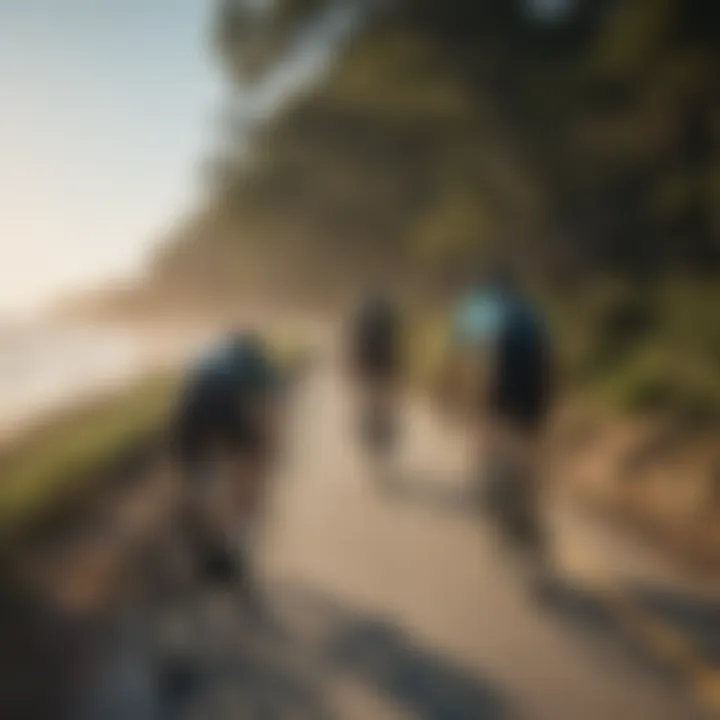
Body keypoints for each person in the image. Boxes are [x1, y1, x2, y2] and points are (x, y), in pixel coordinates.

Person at [171, 329, 283, 600]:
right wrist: (266, 452)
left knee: (196, 476)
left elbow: (188, 391)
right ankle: (228, 544)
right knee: (245, 474)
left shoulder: (206, 355)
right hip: (226, 405)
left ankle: (198, 518)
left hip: (192, 409)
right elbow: (267, 411)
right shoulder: (258, 362)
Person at [451, 267, 554, 554]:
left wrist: (457, 394)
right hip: (535, 390)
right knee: (529, 451)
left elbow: (468, 356)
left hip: (500, 387)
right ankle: (529, 503)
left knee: (486, 437)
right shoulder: (531, 311)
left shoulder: (481, 309)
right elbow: (548, 358)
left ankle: (493, 486)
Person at [347, 289, 403, 464]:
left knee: (366, 398)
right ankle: (382, 430)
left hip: (368, 361)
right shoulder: (390, 318)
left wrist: (352, 366)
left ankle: (368, 430)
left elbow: (355, 342)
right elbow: (399, 344)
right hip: (386, 362)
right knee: (383, 400)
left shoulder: (362, 316)